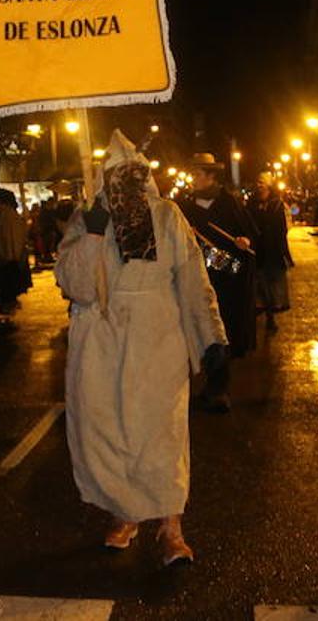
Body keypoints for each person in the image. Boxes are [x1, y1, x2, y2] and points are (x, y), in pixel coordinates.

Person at [56, 131, 227, 566]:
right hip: (103, 344)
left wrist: (211, 339)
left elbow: (193, 282)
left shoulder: (169, 217)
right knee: (110, 432)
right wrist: (92, 236)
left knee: (162, 433)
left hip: (157, 342)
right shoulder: (87, 218)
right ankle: (125, 513)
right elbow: (74, 285)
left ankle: (171, 527)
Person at [179, 153, 258, 413]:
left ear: (211, 176)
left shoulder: (229, 203)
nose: (194, 179)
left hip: (226, 276)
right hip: (196, 275)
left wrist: (244, 241)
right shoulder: (185, 207)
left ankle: (219, 388)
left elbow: (250, 234)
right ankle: (212, 384)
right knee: (202, 329)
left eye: (198, 174)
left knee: (221, 329)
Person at [247, 173, 293, 332]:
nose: (259, 185)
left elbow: (281, 229)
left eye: (262, 182)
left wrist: (282, 251)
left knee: (271, 285)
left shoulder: (276, 204)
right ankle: (267, 314)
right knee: (261, 284)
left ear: (268, 185)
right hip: (257, 250)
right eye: (258, 182)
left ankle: (270, 314)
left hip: (272, 250)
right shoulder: (251, 203)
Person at [0, 189, 29, 331]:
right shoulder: (7, 215)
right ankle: (6, 316)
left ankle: (5, 317)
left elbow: (7, 239)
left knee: (4, 290)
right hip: (9, 258)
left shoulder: (2, 215)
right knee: (6, 290)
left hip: (4, 259)